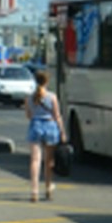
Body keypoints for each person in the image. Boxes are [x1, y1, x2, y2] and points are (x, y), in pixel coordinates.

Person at [25, 70, 65, 202]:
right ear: (47, 81)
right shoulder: (52, 96)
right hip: (50, 126)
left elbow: (29, 116)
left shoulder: (29, 97)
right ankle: (48, 188)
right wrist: (62, 132)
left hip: (35, 126)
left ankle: (34, 191)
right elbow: (57, 116)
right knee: (49, 161)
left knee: (35, 161)